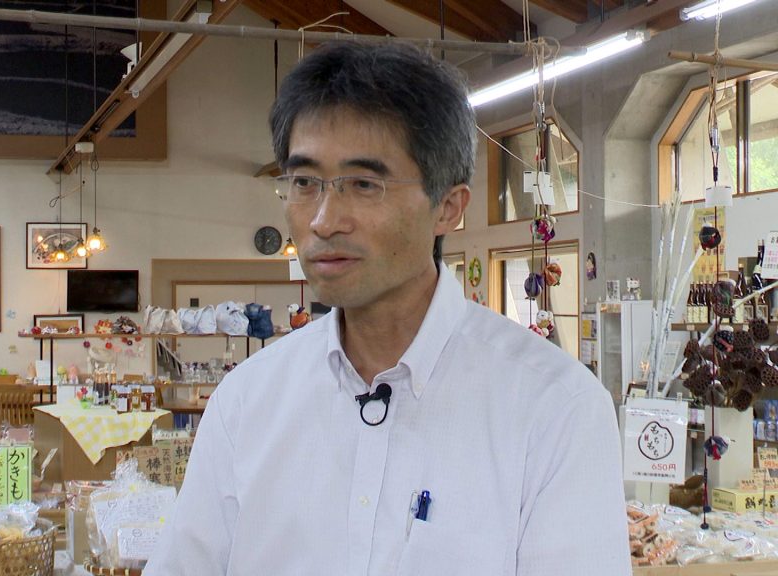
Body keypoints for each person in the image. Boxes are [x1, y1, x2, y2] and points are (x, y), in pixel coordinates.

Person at [145, 42, 629, 576]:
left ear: (448, 206)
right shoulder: (247, 402)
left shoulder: (552, 408)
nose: (325, 220)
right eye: (304, 182)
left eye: (364, 184)